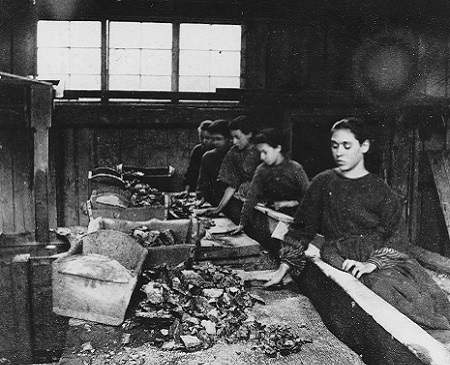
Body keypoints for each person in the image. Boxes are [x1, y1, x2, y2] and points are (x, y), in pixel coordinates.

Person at [266, 117, 450, 330]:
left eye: (346, 145)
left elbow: (397, 235)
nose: (339, 153)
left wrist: (373, 263)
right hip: (342, 255)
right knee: (382, 294)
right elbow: (301, 229)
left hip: (382, 256)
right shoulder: (322, 183)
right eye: (334, 146)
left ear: (364, 146)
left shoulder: (379, 188)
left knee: (430, 304)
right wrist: (283, 268)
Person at [233, 128, 309, 234]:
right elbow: (251, 197)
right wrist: (242, 223)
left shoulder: (295, 169)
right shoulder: (262, 170)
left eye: (265, 152)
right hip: (274, 220)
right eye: (260, 153)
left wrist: (290, 203)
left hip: (298, 220)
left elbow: (310, 198)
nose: (262, 157)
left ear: (278, 148)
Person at [202, 115, 261, 216]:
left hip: (262, 206)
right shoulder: (233, 153)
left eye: (237, 137)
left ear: (249, 134)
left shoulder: (263, 152)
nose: (234, 141)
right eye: (232, 137)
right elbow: (231, 185)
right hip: (241, 203)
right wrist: (218, 208)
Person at [196, 119, 232, 206]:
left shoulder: (237, 156)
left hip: (233, 202)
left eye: (218, 139)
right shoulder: (208, 157)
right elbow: (202, 185)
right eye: (212, 139)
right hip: (213, 203)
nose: (215, 143)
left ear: (229, 139)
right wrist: (202, 197)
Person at [183, 120, 214, 195]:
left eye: (207, 138)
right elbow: (190, 174)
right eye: (201, 137)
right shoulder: (197, 151)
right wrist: (187, 191)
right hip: (196, 191)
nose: (204, 141)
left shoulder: (217, 153)